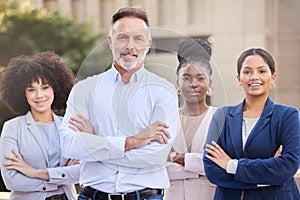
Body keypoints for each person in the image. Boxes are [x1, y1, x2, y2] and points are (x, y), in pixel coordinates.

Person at [59, 6, 180, 200]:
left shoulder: (163, 91)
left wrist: (94, 144)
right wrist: (133, 141)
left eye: (138, 38)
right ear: (110, 41)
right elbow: (69, 145)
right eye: (122, 37)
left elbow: (155, 157)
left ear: (148, 44)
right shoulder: (85, 89)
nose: (130, 46)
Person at [203, 48, 300, 199]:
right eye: (247, 72)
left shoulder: (288, 116)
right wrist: (267, 178)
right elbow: (212, 170)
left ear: (273, 77)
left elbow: (287, 166)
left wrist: (231, 165)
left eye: (261, 71)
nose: (254, 77)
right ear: (239, 78)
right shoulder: (221, 116)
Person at [0, 51, 89, 200]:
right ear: (23, 94)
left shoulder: (70, 126)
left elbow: (84, 171)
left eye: (45, 87)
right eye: (31, 89)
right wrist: (59, 177)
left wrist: (35, 172)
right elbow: (11, 180)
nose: (39, 95)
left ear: (55, 88)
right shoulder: (12, 128)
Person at [164, 38, 216, 200]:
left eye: (200, 78)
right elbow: (157, 167)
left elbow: (219, 167)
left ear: (209, 84)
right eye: (186, 78)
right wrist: (200, 169)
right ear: (177, 84)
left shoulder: (221, 119)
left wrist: (175, 157)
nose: (193, 84)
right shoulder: (164, 121)